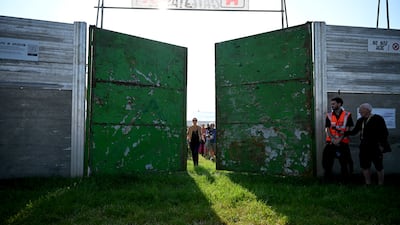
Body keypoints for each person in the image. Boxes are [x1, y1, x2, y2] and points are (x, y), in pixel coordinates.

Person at [345, 103, 391, 185]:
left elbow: (385, 133)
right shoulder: (360, 120)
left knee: (378, 166)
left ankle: (381, 184)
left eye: (361, 109)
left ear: (367, 110)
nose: (359, 111)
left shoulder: (377, 118)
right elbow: (354, 131)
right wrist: (344, 133)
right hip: (364, 147)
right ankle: (368, 183)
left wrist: (382, 145)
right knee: (364, 165)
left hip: (375, 146)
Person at [322, 97, 354, 181]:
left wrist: (339, 139)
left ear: (339, 104)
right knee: (326, 162)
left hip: (342, 142)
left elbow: (347, 128)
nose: (332, 105)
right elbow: (327, 128)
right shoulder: (329, 115)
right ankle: (327, 180)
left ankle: (345, 180)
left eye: (333, 104)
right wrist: (333, 139)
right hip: (331, 142)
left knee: (344, 162)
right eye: (331, 104)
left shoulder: (347, 115)